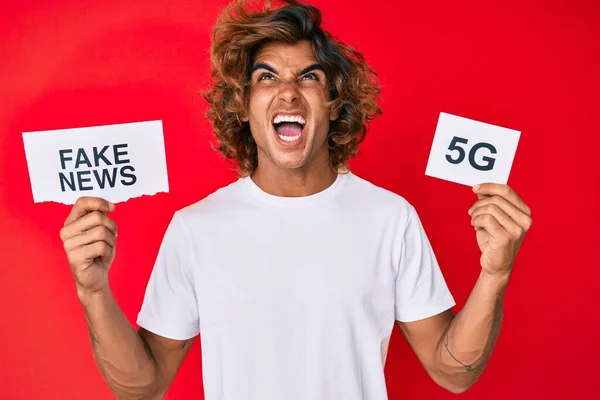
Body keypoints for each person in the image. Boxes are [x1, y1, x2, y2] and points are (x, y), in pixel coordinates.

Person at [59, 1, 532, 399]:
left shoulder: (390, 219)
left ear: (332, 101)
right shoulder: (195, 228)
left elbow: (451, 372)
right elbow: (143, 386)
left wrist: (495, 274)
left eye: (308, 77)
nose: (287, 91)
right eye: (266, 78)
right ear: (244, 107)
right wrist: (93, 291)